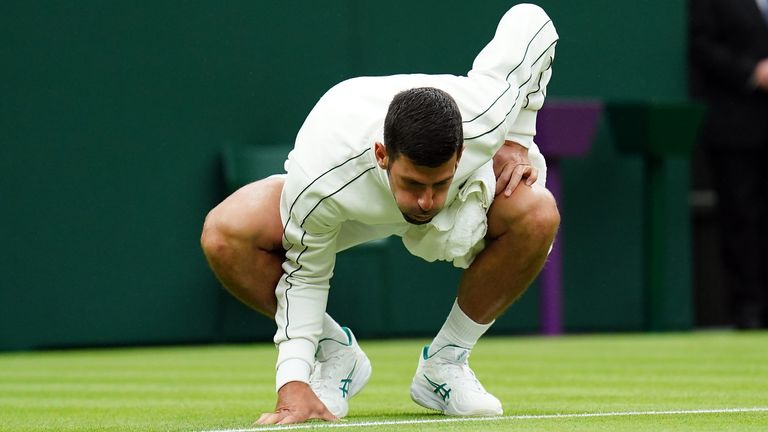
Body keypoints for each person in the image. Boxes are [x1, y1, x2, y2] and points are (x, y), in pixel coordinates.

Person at [201, 3, 559, 425]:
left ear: (462, 152)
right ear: (382, 155)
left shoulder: (482, 117)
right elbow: (306, 275)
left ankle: (445, 365)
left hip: (465, 199)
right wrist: (291, 384)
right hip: (349, 204)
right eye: (413, 184)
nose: (426, 201)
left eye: (437, 183)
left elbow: (532, 21)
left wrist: (517, 137)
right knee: (225, 233)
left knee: (537, 212)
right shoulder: (321, 176)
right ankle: (335, 356)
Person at [689, 0, 768, 329]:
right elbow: (701, 45)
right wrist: (753, 72)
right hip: (736, 123)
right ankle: (749, 310)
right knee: (741, 217)